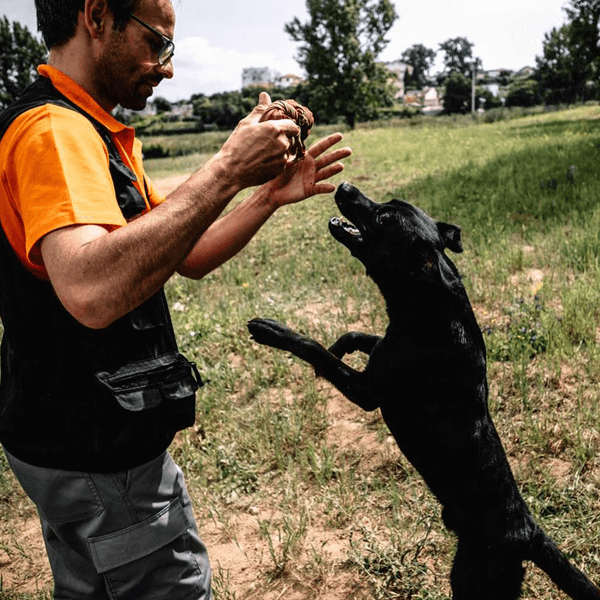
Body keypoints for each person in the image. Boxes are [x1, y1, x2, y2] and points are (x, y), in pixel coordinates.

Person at [0, 0, 351, 597]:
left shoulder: (89, 127)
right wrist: (223, 169)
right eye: (157, 43)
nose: (166, 68)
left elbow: (183, 252)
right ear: (97, 16)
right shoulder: (55, 133)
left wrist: (263, 196)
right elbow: (91, 289)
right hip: (98, 452)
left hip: (69, 439)